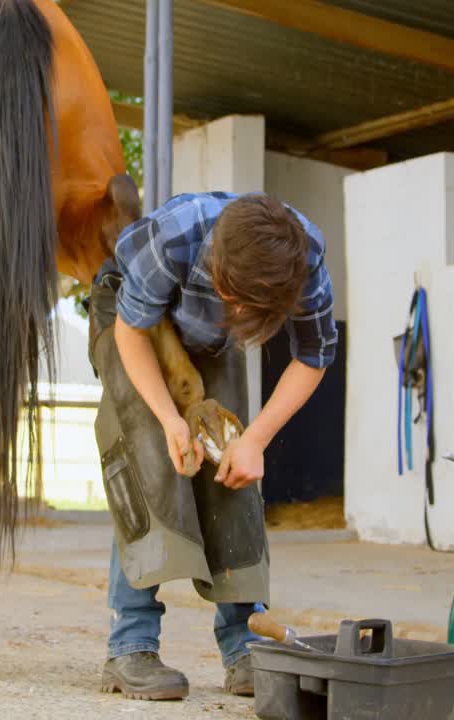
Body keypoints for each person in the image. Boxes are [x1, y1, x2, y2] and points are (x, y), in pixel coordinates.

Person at [87, 191, 337, 700]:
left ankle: (245, 643)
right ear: (217, 263)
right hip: (132, 319)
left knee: (232, 465)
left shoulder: (305, 257)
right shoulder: (171, 237)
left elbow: (313, 356)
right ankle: (130, 646)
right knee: (152, 459)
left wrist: (257, 441)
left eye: (256, 307)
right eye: (236, 296)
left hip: (211, 336)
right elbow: (132, 334)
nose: (244, 308)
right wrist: (168, 419)